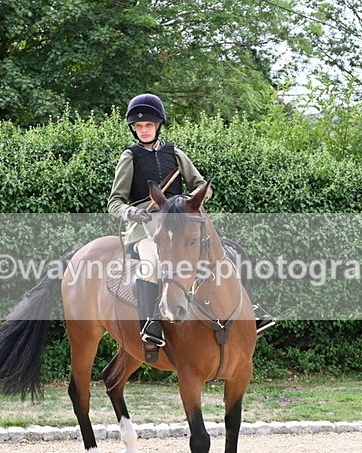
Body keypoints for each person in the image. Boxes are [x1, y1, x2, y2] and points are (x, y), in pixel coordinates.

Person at [107, 93, 274, 361]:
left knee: (231, 253)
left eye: (148, 125)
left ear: (158, 125)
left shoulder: (175, 153)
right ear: (134, 129)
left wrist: (190, 201)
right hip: (147, 227)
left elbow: (200, 185)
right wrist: (130, 211)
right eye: (139, 126)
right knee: (150, 262)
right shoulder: (130, 157)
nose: (144, 130)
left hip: (183, 223)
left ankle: (251, 310)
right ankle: (151, 323)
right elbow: (114, 201)